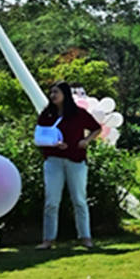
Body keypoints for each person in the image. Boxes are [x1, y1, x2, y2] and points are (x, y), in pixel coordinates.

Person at [36, 80, 103, 243]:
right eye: (51, 93)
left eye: (56, 92)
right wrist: (53, 143)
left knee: (79, 200)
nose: (52, 96)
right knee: (51, 201)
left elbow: (97, 127)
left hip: (76, 159)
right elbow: (40, 135)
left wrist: (86, 140)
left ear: (65, 94)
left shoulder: (78, 113)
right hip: (53, 160)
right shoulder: (47, 114)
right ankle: (48, 239)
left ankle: (85, 237)